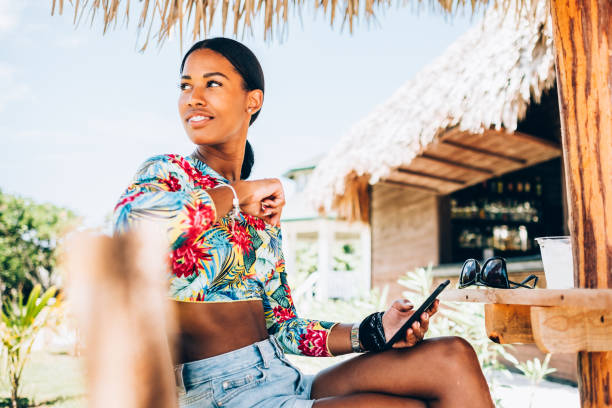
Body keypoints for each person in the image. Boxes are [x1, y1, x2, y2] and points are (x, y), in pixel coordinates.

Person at [113, 37, 494, 408]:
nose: (193, 97)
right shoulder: (169, 172)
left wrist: (375, 330)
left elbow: (283, 327)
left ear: (253, 100)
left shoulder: (261, 212)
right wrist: (237, 193)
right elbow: (130, 228)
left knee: (451, 358)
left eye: (211, 83)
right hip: (218, 391)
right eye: (185, 86)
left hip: (282, 375)